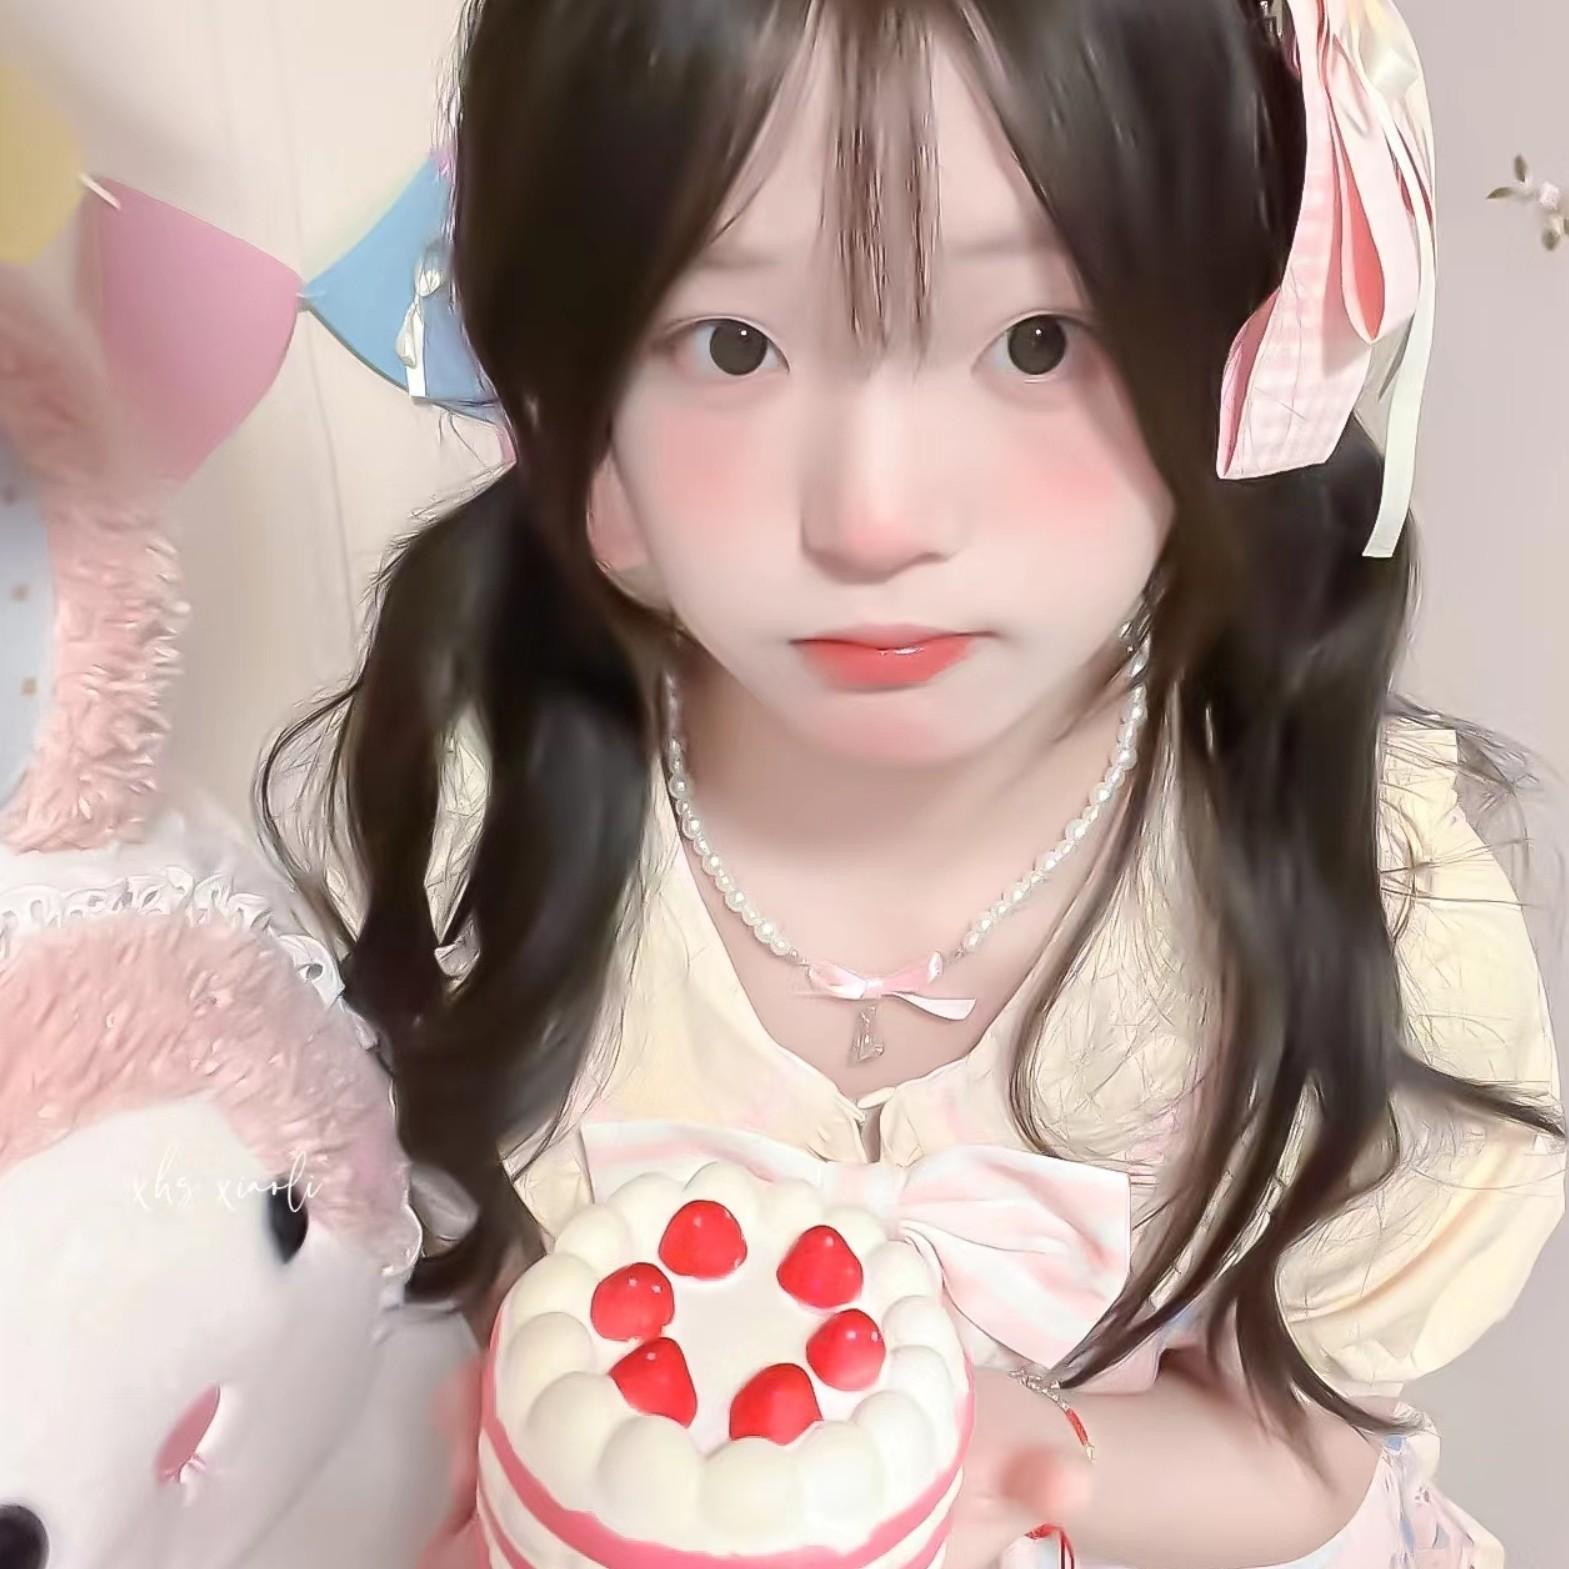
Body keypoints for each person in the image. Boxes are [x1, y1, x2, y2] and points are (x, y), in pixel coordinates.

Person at [262, 1, 1565, 1565]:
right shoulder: (480, 815)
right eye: (730, 343)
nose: (873, 517)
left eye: (1037, 340)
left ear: (1245, 352)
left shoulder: (1370, 886)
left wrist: (1035, 1461)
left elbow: (1307, 1442)